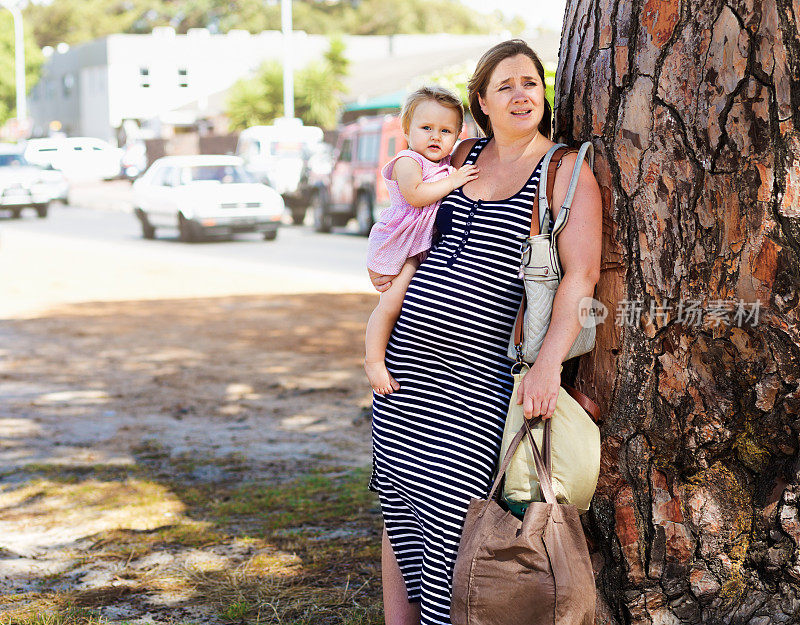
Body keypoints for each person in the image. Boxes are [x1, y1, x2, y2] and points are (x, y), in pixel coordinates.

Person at [367, 39, 602, 625]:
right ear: (482, 102)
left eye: (531, 83)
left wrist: (548, 366)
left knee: (459, 530)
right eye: (506, 86)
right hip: (402, 377)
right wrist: (385, 271)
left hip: (477, 382)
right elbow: (405, 222)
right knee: (399, 518)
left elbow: (583, 274)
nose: (522, 95)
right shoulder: (458, 153)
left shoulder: (563, 170)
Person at [364, 86, 479, 395]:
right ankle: (373, 361)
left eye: (445, 130)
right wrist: (453, 180)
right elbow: (415, 196)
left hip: (422, 241)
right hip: (402, 242)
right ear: (407, 129)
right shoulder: (408, 161)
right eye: (426, 128)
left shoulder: (447, 163)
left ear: (458, 135)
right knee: (392, 302)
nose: (435, 137)